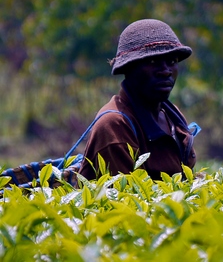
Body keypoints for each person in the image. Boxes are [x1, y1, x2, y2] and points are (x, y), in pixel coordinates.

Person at [78, 19, 198, 181]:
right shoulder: (114, 125)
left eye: (171, 62)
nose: (165, 71)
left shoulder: (172, 115)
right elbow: (129, 200)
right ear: (129, 68)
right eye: (153, 62)